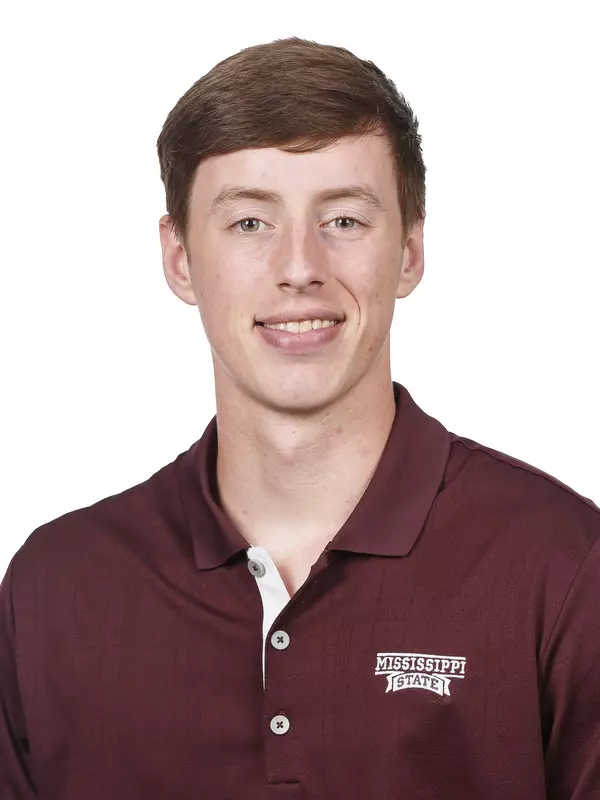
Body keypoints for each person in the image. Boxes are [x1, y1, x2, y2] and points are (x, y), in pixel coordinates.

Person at [1, 35, 598, 800]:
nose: (299, 266)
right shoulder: (56, 590)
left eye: (344, 220)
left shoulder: (564, 567)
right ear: (179, 259)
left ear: (410, 250)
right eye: (250, 223)